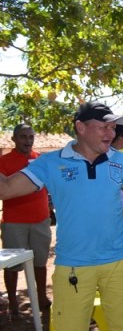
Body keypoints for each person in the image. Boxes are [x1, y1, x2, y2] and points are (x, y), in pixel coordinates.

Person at [0, 102, 123, 331]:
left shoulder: (119, 161)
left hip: (119, 260)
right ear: (81, 128)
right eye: (104, 126)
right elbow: (7, 189)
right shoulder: (51, 162)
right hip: (73, 265)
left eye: (113, 127)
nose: (111, 132)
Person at [0, 123, 52, 318]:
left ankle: (41, 297)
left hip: (41, 219)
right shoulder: (3, 161)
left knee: (40, 261)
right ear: (14, 139)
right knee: (13, 265)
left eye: (31, 137)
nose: (28, 141)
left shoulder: (41, 160)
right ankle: (13, 303)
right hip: (14, 222)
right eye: (23, 137)